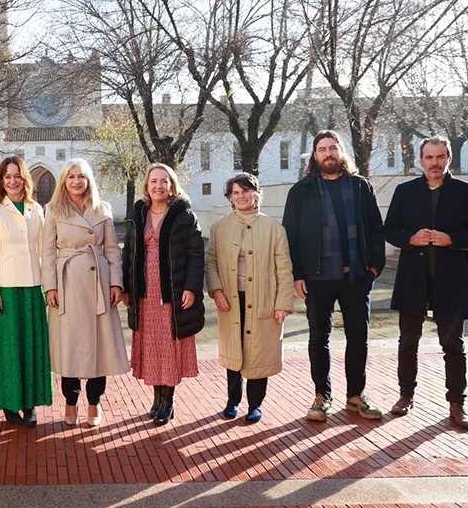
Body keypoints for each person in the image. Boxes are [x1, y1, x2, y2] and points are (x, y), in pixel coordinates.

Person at [384, 136, 468, 430]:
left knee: (453, 345)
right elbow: (389, 229)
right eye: (429, 157)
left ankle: (457, 405)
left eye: (440, 157)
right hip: (413, 280)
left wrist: (452, 239)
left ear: (449, 159)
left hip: (452, 281)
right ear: (420, 161)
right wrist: (409, 237)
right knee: (408, 342)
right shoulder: (404, 192)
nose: (435, 162)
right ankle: (406, 395)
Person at [282, 130, 386, 422]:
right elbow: (291, 236)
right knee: (319, 338)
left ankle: (356, 396)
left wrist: (374, 268)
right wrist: (297, 274)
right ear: (314, 156)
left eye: (332, 148)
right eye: (322, 149)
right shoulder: (301, 191)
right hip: (317, 279)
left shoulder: (360, 187)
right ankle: (321, 396)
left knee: (359, 338)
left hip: (356, 277)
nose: (328, 154)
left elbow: (377, 230)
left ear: (341, 152)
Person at [43, 158, 129, 427]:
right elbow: (46, 252)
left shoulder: (102, 208)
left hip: (98, 285)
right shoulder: (53, 209)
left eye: (81, 176)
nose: (77, 181)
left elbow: (113, 250)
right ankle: (70, 402)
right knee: (70, 347)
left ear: (89, 179)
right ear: (64, 181)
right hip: (68, 283)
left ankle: (94, 402)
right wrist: (51, 287)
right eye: (71, 176)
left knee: (98, 348)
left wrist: (116, 283)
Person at [206, 173, 294, 423]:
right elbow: (210, 262)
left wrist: (282, 304)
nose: (241, 196)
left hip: (264, 299)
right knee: (235, 351)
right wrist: (216, 290)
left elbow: (284, 268)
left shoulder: (274, 228)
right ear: (230, 198)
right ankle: (232, 401)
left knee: (259, 352)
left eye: (246, 191)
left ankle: (255, 405)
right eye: (235, 192)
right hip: (231, 299)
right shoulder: (220, 227)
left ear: (256, 194)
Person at [121, 163, 203, 426]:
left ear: (172, 185)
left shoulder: (184, 215)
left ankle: (168, 402)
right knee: (152, 347)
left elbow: (196, 255)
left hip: (173, 290)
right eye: (154, 181)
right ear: (146, 185)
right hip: (145, 292)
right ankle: (157, 399)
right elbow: (128, 254)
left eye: (164, 181)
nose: (158, 186)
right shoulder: (138, 214)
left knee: (169, 346)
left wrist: (191, 287)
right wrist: (126, 287)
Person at [0, 156, 52, 427]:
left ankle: (30, 404)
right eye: (7, 176)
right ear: (1, 180)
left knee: (31, 347)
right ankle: (10, 404)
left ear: (25, 179)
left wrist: (48, 287)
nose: (12, 181)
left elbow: (44, 251)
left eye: (17, 176)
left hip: (33, 289)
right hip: (7, 291)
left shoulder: (36, 209)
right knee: (8, 350)